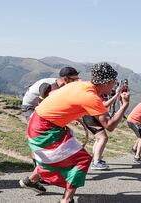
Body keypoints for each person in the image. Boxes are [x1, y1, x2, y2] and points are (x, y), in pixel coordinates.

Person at [19, 62, 129, 203]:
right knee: (81, 159)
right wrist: (124, 105)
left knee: (55, 157)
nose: (115, 85)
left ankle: (30, 181)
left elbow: (91, 105)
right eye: (114, 82)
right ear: (106, 82)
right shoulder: (90, 97)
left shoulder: (81, 84)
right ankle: (66, 200)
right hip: (45, 128)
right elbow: (110, 126)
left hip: (40, 121)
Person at [82, 84, 123, 170]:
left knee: (99, 138)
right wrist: (116, 95)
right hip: (91, 118)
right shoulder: (98, 93)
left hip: (93, 117)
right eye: (111, 86)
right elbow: (104, 105)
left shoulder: (101, 92)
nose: (111, 88)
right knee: (103, 138)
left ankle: (96, 160)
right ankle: (96, 162)